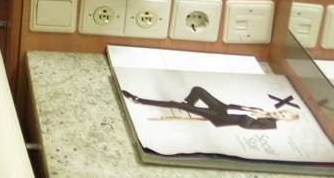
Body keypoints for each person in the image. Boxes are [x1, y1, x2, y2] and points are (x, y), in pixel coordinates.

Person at [122, 87, 299, 130]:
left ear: (283, 120)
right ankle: (188, 106)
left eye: (283, 115)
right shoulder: (262, 108)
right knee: (198, 90)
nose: (279, 112)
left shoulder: (269, 124)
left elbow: (245, 125)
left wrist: (255, 115)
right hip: (223, 108)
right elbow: (235, 107)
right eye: (282, 111)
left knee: (176, 104)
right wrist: (254, 110)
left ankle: (139, 100)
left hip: (220, 117)